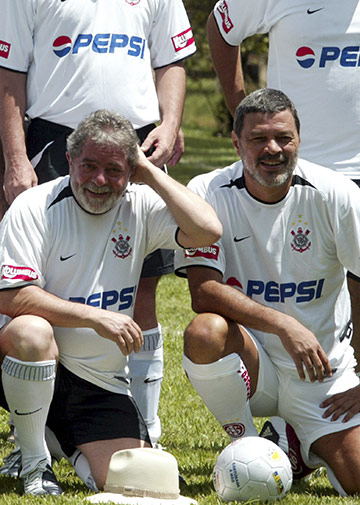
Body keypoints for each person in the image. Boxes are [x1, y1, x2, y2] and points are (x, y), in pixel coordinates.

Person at [175, 89, 360, 496]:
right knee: (204, 332)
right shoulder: (207, 190)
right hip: (252, 363)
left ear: (299, 138)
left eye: (284, 137)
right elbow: (203, 290)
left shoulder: (334, 192)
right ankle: (248, 444)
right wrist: (282, 325)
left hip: (322, 376)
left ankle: (295, 444)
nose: (273, 149)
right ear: (236, 143)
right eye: (259, 139)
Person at [0, 0, 196, 447]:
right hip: (58, 141)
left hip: (138, 141)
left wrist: (169, 123)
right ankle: (30, 427)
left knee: (142, 292)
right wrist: (15, 159)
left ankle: (146, 423)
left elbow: (170, 60)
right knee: (38, 290)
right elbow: (8, 73)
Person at [206, 0, 360, 450]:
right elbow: (221, 27)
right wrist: (244, 110)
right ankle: (301, 415)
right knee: (317, 292)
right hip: (301, 167)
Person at [0, 109, 222, 495]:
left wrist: (151, 173)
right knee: (32, 332)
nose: (100, 180)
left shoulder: (140, 205)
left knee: (141, 485)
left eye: (115, 169)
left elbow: (208, 230)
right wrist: (94, 318)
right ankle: (35, 462)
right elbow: (12, 296)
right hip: (21, 357)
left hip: (98, 381)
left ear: (131, 169)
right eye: (89, 166)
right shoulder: (34, 207)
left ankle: (51, 433)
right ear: (69, 161)